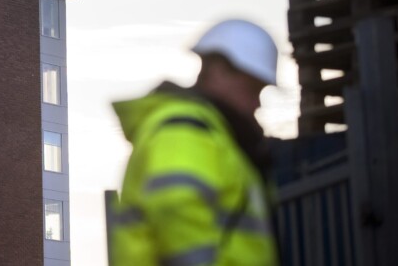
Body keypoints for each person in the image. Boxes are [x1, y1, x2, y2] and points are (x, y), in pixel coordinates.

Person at [110, 19, 280, 266]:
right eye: (253, 89)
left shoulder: (211, 134)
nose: (257, 104)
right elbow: (175, 205)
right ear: (219, 70)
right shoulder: (185, 127)